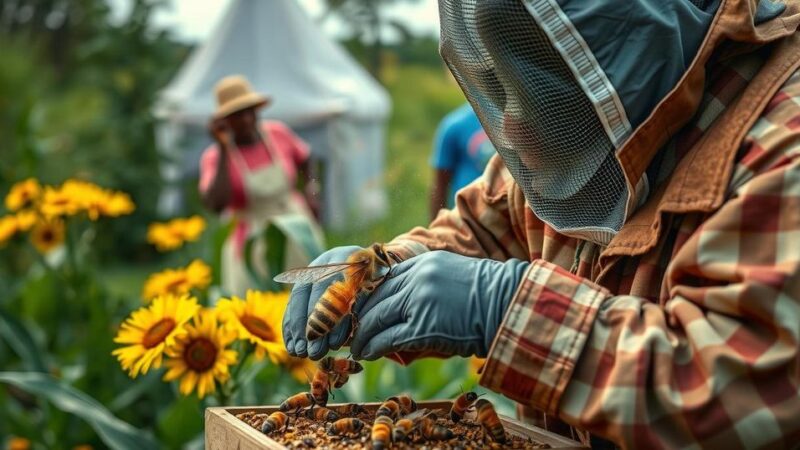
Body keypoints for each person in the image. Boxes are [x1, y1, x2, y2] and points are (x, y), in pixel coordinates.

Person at [284, 1, 800, 448]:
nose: (508, 122)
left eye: (540, 84)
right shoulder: (574, 133)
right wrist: (385, 269)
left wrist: (503, 305)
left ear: (620, 62)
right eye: (500, 84)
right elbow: (480, 227)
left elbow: (741, 393)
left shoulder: (782, 151)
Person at [199, 75, 324, 295]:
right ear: (223, 122)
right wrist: (223, 148)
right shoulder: (214, 158)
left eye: (250, 111)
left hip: (294, 222)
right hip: (251, 239)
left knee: (309, 292)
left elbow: (307, 159)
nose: (246, 119)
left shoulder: (278, 133)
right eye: (237, 115)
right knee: (260, 299)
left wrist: (312, 190)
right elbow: (216, 204)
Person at [429, 103, 495, 220]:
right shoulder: (454, 125)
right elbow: (440, 185)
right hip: (466, 221)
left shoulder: (512, 121)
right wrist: (437, 228)